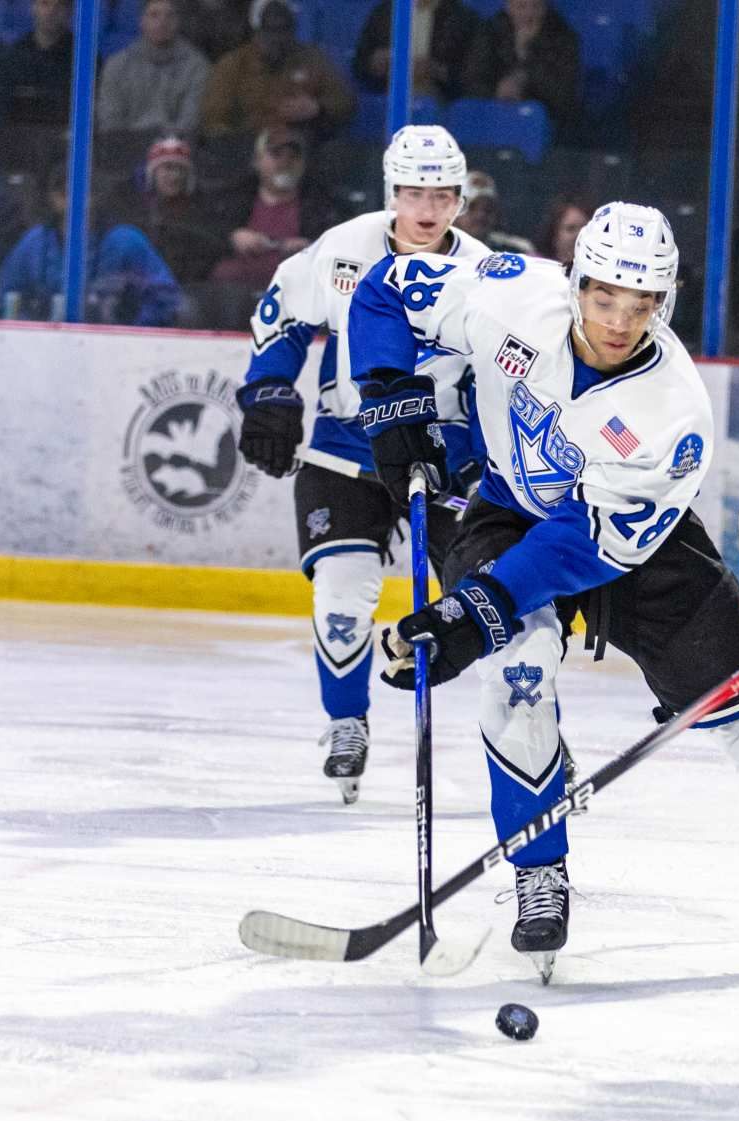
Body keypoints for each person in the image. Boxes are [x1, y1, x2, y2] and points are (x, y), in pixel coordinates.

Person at [345, 201, 739, 982]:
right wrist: (392, 403)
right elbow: (385, 288)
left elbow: (582, 547)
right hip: (506, 506)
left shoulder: (673, 412)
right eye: (604, 298)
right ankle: (540, 869)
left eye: (641, 306)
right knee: (517, 671)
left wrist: (468, 617)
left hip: (633, 543)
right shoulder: (504, 293)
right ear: (578, 282)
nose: (618, 321)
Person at [235, 125, 490, 803]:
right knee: (342, 599)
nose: (427, 208)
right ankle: (347, 721)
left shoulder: (486, 273)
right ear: (391, 193)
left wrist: (480, 462)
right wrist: (268, 393)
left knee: (491, 602)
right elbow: (284, 313)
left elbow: (504, 378)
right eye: (413, 192)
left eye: (441, 193)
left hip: (443, 458)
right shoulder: (345, 249)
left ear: (461, 199)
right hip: (346, 448)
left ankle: (532, 740)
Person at [0, 161, 182, 325]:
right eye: (63, 192)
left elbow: (165, 297)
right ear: (52, 198)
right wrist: (31, 334)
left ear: (96, 196)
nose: (72, 200)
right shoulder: (34, 243)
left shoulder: (126, 241)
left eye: (81, 192)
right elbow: (8, 298)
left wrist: (132, 334)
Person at [200, 0, 356, 142]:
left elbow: (346, 103)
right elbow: (213, 121)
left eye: (283, 30)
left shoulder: (312, 59)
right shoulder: (233, 65)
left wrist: (317, 108)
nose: (276, 39)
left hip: (303, 147)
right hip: (248, 149)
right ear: (256, 31)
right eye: (270, 31)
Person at [209, 125, 339, 290]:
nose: (285, 163)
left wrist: (311, 247)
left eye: (293, 157)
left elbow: (338, 252)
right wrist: (232, 237)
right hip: (234, 297)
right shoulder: (229, 199)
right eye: (276, 155)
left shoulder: (322, 205)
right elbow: (204, 240)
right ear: (257, 161)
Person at [101, 134, 228, 285]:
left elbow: (207, 252)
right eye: (167, 168)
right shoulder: (127, 204)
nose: (174, 176)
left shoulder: (202, 206)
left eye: (180, 169)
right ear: (153, 172)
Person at [97, 0, 211, 136]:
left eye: (170, 16)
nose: (162, 22)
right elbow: (110, 121)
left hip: (178, 149)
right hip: (126, 149)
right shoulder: (117, 66)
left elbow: (191, 120)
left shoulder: (197, 65)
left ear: (178, 21)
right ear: (141, 21)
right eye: (154, 15)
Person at [463, 0, 580, 132]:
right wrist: (497, 91)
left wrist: (526, 54)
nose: (528, 14)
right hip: (492, 112)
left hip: (547, 119)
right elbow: (472, 79)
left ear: (546, 8)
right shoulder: (490, 31)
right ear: (508, 7)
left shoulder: (564, 37)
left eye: (536, 7)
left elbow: (563, 93)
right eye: (521, 6)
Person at [352, 0, 477, 103]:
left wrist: (436, 71)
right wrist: (373, 63)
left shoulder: (464, 20)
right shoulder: (383, 13)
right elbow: (359, 63)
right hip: (386, 98)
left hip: (441, 104)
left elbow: (474, 77)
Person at [4, 0, 74, 128]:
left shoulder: (82, 58)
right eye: (45, 3)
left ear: (70, 11)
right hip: (20, 138)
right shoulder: (15, 55)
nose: (51, 11)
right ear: (33, 7)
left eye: (59, 6)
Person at [455, 170, 535, 253]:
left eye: (488, 209)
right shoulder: (441, 252)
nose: (480, 215)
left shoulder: (516, 251)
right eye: (472, 207)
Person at [535, 194, 590, 265]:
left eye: (585, 228)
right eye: (571, 229)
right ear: (554, 234)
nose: (579, 234)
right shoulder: (534, 266)